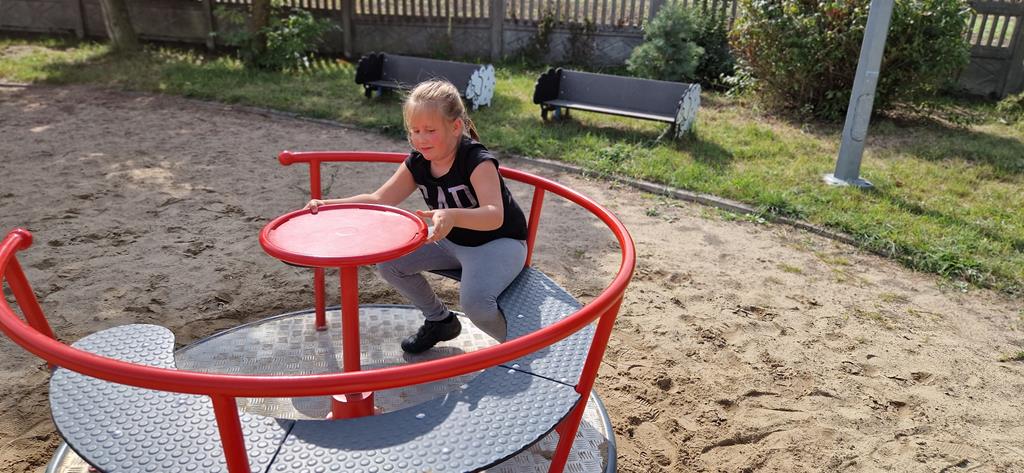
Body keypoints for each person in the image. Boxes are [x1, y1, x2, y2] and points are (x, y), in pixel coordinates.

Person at [305, 80, 528, 353]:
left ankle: (519, 348)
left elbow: (494, 215)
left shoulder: (476, 160)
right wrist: (330, 205)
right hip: (451, 239)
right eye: (415, 131)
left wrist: (452, 215)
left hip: (498, 243)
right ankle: (440, 320)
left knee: (477, 305)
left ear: (456, 127)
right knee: (390, 263)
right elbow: (379, 199)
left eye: (430, 131)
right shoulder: (419, 163)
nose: (421, 139)